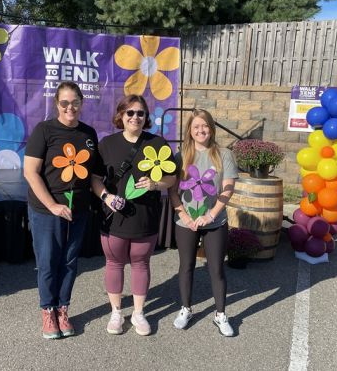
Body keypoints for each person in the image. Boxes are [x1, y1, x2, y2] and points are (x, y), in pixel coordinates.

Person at [23, 81, 103, 339]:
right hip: (47, 210)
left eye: (75, 102)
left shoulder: (89, 133)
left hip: (78, 211)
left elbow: (91, 174)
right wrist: (53, 206)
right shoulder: (44, 130)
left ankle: (62, 309)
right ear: (57, 104)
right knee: (48, 262)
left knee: (69, 262)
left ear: (82, 102)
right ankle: (47, 310)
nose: (70, 107)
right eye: (64, 103)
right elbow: (30, 173)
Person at [92, 95, 176, 336]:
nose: (135, 117)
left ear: (146, 117)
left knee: (141, 263)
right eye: (130, 113)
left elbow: (172, 177)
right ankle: (116, 312)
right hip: (114, 217)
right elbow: (95, 179)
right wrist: (106, 197)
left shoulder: (158, 143)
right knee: (114, 263)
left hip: (145, 216)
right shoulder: (107, 144)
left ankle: (139, 313)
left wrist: (156, 184)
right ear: (121, 115)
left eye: (140, 113)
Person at [167, 109, 239, 337]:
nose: (201, 130)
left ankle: (220, 314)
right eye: (196, 126)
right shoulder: (181, 156)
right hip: (186, 223)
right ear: (189, 130)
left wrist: (211, 215)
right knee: (186, 266)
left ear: (212, 128)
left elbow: (228, 188)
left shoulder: (223, 154)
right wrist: (185, 217)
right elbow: (172, 191)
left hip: (215, 222)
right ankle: (185, 309)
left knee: (217, 269)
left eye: (205, 126)